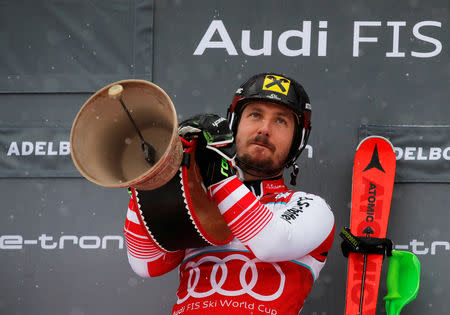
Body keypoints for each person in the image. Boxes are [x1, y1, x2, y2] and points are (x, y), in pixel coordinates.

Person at [123, 73, 335, 314]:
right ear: (234, 124)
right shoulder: (199, 201)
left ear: (297, 141)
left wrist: (219, 173)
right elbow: (146, 264)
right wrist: (155, 179)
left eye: (281, 121)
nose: (264, 129)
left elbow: (271, 244)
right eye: (255, 114)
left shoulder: (311, 206)